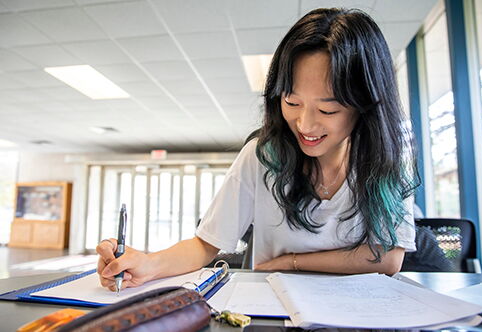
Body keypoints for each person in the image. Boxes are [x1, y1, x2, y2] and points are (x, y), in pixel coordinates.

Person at [96, 7, 419, 291]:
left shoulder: (387, 160)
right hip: (274, 306)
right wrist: (148, 265)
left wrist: (291, 261)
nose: (305, 125)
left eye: (328, 110)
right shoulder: (262, 156)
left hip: (361, 310)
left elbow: (388, 258)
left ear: (366, 106)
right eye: (292, 102)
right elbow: (206, 245)